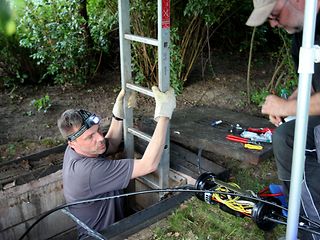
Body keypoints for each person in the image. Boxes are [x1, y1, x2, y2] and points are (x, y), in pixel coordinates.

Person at [57, 86, 176, 239]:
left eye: (98, 130)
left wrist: (118, 116)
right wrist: (164, 115)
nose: (100, 138)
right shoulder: (87, 171)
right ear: (72, 143)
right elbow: (149, 165)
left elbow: (111, 144)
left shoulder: (75, 150)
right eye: (90, 137)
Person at [247, 1, 320, 239]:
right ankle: (303, 224)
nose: (274, 24)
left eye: (275, 15)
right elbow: (309, 82)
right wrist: (288, 107)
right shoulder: (302, 33)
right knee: (285, 137)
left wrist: (288, 105)